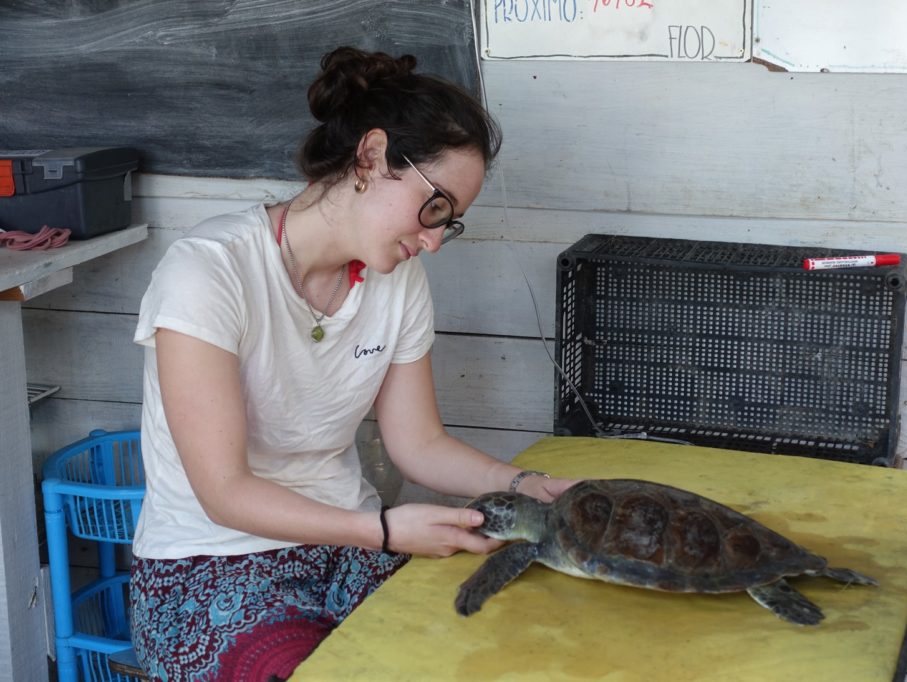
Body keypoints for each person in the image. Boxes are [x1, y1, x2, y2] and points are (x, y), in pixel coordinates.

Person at [129, 46, 576, 681]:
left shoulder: (397, 281)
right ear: (371, 155)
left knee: (483, 652)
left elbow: (419, 444)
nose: (433, 241)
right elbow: (225, 493)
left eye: (450, 224)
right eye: (435, 207)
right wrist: (385, 530)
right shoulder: (208, 272)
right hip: (210, 563)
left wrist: (523, 484)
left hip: (348, 548)